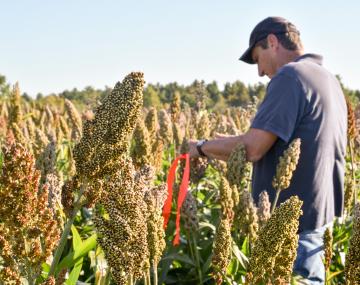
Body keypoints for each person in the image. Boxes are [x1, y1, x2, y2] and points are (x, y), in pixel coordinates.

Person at [189, 16, 347, 284]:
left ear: (272, 42)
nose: (260, 72)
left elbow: (253, 149)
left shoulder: (291, 76)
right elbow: (280, 139)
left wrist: (202, 147)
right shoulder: (328, 80)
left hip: (292, 234)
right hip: (319, 226)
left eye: (257, 58)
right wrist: (233, 141)